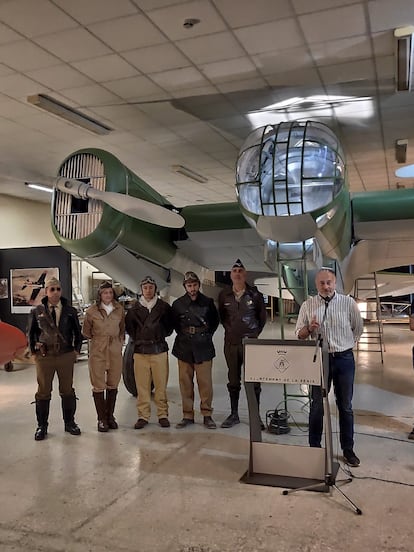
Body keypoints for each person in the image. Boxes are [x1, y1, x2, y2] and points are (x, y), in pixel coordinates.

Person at [296, 267, 363, 467]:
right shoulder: (308, 305)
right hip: (320, 359)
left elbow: (357, 328)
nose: (326, 286)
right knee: (317, 405)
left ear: (335, 284)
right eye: (321, 283)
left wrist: (345, 347)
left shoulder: (348, 303)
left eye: (329, 282)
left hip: (344, 359)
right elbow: (298, 333)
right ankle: (314, 447)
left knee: (345, 406)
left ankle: (348, 449)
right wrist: (309, 328)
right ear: (316, 285)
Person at [28, 276, 82, 441]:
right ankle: (42, 426)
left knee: (67, 390)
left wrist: (76, 351)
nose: (55, 292)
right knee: (43, 392)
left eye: (58, 289)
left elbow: (77, 333)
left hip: (65, 355)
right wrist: (33, 352)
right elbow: (30, 333)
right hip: (45, 357)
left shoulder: (70, 311)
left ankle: (70, 423)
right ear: (46, 291)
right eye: (52, 289)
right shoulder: (37, 311)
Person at [218, 259, 267, 429]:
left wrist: (252, 335)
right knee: (233, 380)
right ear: (231, 275)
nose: (237, 273)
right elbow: (223, 317)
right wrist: (232, 332)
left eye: (240, 270)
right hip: (231, 344)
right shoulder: (224, 295)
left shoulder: (255, 294)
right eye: (234, 270)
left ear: (245, 274)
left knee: (254, 381)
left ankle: (255, 416)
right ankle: (234, 414)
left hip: (251, 344)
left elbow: (262, 319)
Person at [172, 271, 219, 429]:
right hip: (184, 347)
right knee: (185, 383)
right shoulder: (178, 304)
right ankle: (187, 415)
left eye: (194, 285)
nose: (192, 288)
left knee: (205, 383)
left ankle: (207, 414)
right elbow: (176, 325)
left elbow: (214, 322)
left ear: (199, 285)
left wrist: (204, 335)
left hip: (203, 346)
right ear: (185, 286)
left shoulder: (208, 302)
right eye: (189, 285)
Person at [125, 276, 173, 429]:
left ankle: (163, 414)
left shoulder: (164, 307)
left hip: (159, 350)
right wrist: (141, 338)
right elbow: (130, 329)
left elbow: (169, 327)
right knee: (142, 386)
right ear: (141, 290)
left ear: (155, 289)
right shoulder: (133, 310)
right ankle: (143, 416)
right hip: (141, 351)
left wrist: (157, 335)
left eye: (150, 287)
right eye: (145, 287)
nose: (148, 290)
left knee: (161, 385)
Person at [82, 281, 125, 432]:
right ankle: (101, 419)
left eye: (110, 292)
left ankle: (110, 416)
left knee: (113, 382)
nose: (108, 295)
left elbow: (122, 329)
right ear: (100, 295)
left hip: (114, 349)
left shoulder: (119, 309)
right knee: (98, 384)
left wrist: (119, 343)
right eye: (105, 293)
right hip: (98, 350)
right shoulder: (92, 311)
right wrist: (98, 341)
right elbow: (86, 331)